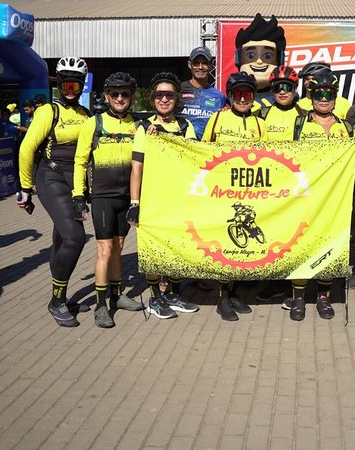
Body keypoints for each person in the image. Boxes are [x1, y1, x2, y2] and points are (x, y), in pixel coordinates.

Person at [17, 57, 92, 327]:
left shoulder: (86, 114)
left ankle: (63, 296)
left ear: (82, 86)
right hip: (51, 176)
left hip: (75, 180)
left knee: (62, 238)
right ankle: (56, 301)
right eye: (66, 84)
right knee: (75, 237)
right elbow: (26, 149)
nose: (70, 90)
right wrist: (25, 188)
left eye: (76, 85)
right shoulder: (49, 111)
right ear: (58, 84)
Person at [72, 72, 144, 328]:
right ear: (107, 96)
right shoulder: (94, 123)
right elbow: (80, 161)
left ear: (132, 96)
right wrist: (78, 195)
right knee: (105, 249)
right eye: (115, 94)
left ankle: (117, 295)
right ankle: (101, 305)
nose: (120, 98)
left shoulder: (138, 125)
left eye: (125, 94)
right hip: (103, 196)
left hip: (127, 197)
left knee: (119, 246)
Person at [283, 69, 354, 321]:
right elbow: (287, 158)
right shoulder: (299, 123)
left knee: (328, 246)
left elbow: (353, 164)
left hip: (334, 198)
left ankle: (324, 296)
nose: (324, 99)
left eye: (329, 94)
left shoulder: (345, 127)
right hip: (306, 196)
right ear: (311, 97)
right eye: (319, 94)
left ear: (335, 98)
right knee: (300, 245)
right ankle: (298, 298)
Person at [128, 72, 200, 320]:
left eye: (169, 95)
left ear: (177, 98)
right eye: (159, 95)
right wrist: (134, 203)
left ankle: (173, 295)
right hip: (153, 200)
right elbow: (137, 168)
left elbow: (193, 159)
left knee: (179, 249)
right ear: (152, 98)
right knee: (153, 251)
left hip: (179, 199)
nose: (164, 99)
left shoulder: (185, 126)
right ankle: (155, 299)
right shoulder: (143, 128)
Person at [203, 72, 265, 321]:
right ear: (230, 96)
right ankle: (222, 298)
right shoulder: (218, 118)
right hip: (222, 192)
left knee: (243, 244)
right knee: (225, 244)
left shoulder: (260, 124)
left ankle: (234, 292)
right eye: (237, 94)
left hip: (249, 193)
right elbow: (202, 151)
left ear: (253, 96)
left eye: (247, 94)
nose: (242, 98)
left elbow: (268, 159)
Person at [253, 65, 306, 302]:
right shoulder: (261, 114)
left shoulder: (305, 115)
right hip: (268, 186)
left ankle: (293, 283)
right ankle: (273, 281)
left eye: (288, 87)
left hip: (295, 186)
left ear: (295, 89)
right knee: (271, 233)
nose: (283, 92)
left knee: (293, 235)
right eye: (277, 88)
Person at [234, 13, 286, 106]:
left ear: (280, 60)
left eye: (267, 56)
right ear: (239, 60)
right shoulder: (234, 99)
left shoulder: (286, 99)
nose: (259, 61)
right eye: (251, 56)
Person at [179, 46, 228, 140]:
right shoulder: (178, 90)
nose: (200, 67)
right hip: (181, 146)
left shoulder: (219, 97)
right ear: (189, 65)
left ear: (211, 66)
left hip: (207, 147)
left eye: (205, 63)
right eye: (196, 64)